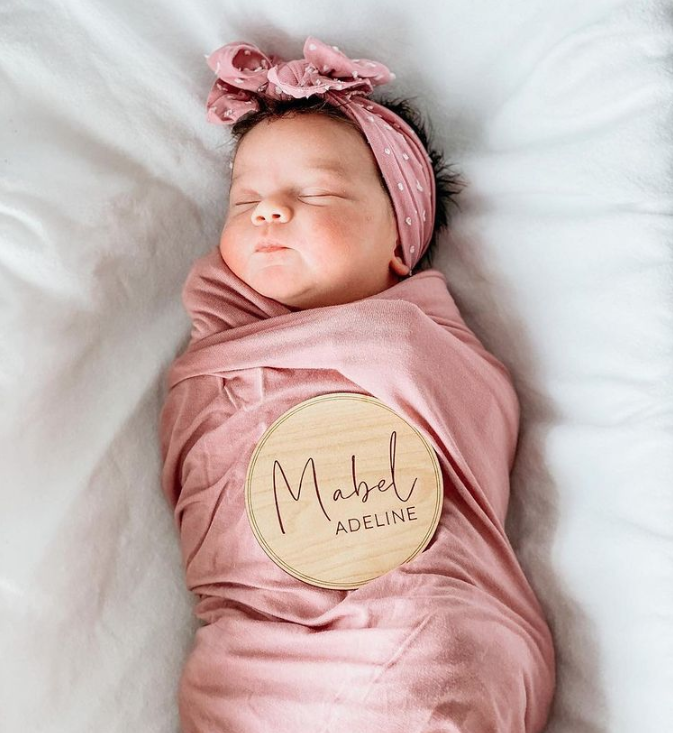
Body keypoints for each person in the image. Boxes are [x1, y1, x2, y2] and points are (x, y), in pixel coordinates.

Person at [159, 36, 556, 733]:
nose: (268, 212)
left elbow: (476, 437)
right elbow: (204, 478)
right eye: (244, 198)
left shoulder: (416, 343)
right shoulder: (216, 353)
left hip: (413, 619)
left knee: (425, 663)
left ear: (401, 240)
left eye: (315, 193)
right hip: (255, 650)